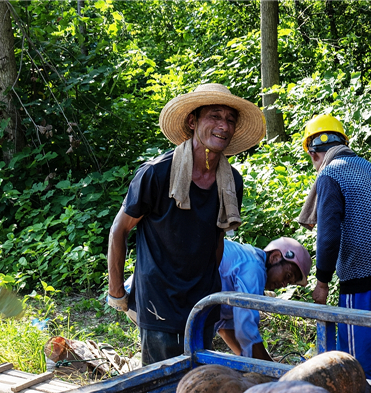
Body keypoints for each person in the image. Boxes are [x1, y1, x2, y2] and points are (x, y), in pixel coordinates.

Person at [105, 83, 265, 364]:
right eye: (214, 116)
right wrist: (117, 292)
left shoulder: (231, 182)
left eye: (230, 120)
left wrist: (205, 284)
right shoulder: (156, 174)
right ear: (193, 121)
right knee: (160, 389)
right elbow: (119, 229)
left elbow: (217, 240)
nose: (223, 126)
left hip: (202, 302)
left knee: (194, 384)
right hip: (158, 300)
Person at [297, 114, 371, 381]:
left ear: (313, 153)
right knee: (367, 346)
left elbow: (328, 235)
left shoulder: (330, 174)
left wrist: (322, 282)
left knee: (357, 361)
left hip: (361, 282)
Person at [214, 236, 311, 361]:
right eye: (287, 275)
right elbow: (246, 327)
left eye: (289, 283)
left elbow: (224, 326)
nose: (284, 284)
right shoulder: (254, 268)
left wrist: (251, 362)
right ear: (275, 257)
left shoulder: (249, 261)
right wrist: (271, 368)